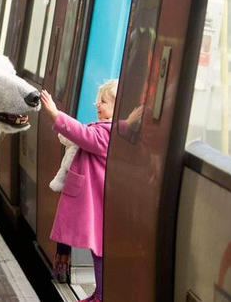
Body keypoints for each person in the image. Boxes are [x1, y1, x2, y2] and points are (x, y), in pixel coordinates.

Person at [40, 80, 142, 302]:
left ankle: (102, 296)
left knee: (99, 250)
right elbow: (115, 129)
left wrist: (55, 115)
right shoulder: (113, 131)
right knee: (97, 248)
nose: (97, 104)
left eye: (103, 102)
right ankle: (98, 293)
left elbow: (83, 135)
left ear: (117, 107)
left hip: (97, 201)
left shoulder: (104, 133)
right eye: (98, 100)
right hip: (96, 199)